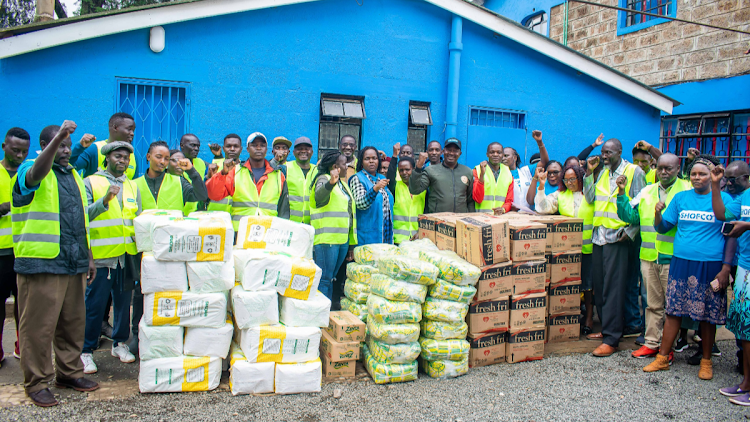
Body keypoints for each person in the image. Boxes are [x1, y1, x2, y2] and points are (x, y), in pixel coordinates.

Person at [13, 121, 99, 406]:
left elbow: (80, 220)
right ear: (45, 146)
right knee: (38, 328)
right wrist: (57, 138)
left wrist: (88, 257)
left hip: (73, 262)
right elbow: (36, 175)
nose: (65, 150)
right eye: (60, 144)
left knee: (72, 324)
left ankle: (69, 372)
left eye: (66, 145)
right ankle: (37, 382)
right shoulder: (30, 169)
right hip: (41, 263)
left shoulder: (73, 174)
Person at [643, 155, 733, 381]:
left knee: (706, 315)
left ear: (713, 175)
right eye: (694, 174)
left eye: (703, 174)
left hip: (710, 264)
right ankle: (663, 358)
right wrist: (657, 213)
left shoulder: (724, 199)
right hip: (681, 262)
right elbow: (663, 228)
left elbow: (731, 231)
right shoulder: (681, 198)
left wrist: (726, 268)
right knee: (674, 310)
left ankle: (706, 361)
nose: (697, 178)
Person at [615, 154, 691, 360]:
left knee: (672, 306)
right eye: (661, 168)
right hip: (648, 257)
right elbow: (630, 217)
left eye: (669, 168)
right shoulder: (647, 190)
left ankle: (669, 347)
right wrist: (621, 194)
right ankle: (651, 343)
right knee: (652, 304)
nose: (664, 172)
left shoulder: (687, 190)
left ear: (678, 169)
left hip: (675, 258)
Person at [80, 141, 141, 375]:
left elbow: (136, 218)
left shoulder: (132, 186)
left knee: (124, 304)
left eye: (126, 157)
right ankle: (86, 351)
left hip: (126, 256)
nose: (122, 161)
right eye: (118, 156)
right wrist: (104, 200)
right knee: (94, 306)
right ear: (107, 158)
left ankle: (119, 344)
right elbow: (84, 216)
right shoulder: (91, 182)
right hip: (102, 258)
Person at [583, 138, 646, 357]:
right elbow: (590, 198)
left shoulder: (634, 172)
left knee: (613, 288)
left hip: (618, 238)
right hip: (599, 236)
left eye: (609, 152)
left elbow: (641, 205)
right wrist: (589, 173)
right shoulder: (601, 172)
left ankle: (612, 339)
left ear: (619, 151)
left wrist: (629, 233)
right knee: (599, 287)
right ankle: (608, 329)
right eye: (603, 152)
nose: (605, 155)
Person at [535, 163, 595, 333]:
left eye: (573, 179)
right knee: (569, 285)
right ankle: (571, 317)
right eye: (566, 180)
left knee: (588, 285)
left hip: (589, 248)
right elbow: (543, 208)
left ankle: (589, 318)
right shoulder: (561, 194)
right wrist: (541, 185)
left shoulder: (589, 195)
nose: (569, 183)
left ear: (580, 177)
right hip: (568, 250)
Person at [713, 164, 750, 404]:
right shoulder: (743, 197)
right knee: (744, 330)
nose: (730, 184)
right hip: (745, 268)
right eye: (727, 179)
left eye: (733, 179)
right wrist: (715, 185)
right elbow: (722, 215)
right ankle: (746, 382)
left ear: (746, 177)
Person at [206, 132, 290, 231]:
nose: (258, 148)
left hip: (268, 235)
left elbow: (283, 210)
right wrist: (223, 174)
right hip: (240, 233)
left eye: (262, 145)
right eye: (254, 145)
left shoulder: (277, 175)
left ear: (266, 150)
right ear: (247, 149)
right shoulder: (235, 172)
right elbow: (214, 194)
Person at [0, 128, 30, 363]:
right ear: (4, 147)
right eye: (15, 150)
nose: (20, 155)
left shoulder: (29, 175)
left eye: (24, 151)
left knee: (25, 306)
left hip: (23, 251)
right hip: (1, 253)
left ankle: (22, 348)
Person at [309, 151, 356, 300]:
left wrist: (351, 244)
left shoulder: (342, 184)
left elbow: (348, 212)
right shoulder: (324, 179)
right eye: (344, 164)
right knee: (324, 278)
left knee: (330, 278)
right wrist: (330, 184)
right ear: (335, 166)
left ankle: (327, 316)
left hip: (341, 239)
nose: (347, 166)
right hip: (327, 240)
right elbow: (319, 196)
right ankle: (320, 315)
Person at [134, 141, 208, 212]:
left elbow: (201, 196)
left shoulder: (179, 182)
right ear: (148, 157)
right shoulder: (134, 184)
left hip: (173, 225)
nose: (162, 161)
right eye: (158, 157)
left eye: (166, 159)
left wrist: (191, 171)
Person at [410, 138, 474, 214]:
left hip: (460, 220)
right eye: (449, 150)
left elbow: (470, 200)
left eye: (455, 151)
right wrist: (418, 168)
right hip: (438, 220)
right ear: (443, 151)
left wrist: (471, 218)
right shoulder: (431, 170)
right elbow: (415, 190)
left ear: (460, 153)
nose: (451, 153)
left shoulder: (467, 171)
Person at [70, 112, 137, 179]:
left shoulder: (133, 156)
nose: (132, 134)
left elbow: (134, 185)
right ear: (115, 128)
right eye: (129, 129)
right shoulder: (94, 150)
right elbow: (69, 168)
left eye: (133, 130)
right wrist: (79, 147)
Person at [349, 146, 393, 245]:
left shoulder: (381, 177)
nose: (371, 161)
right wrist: (375, 189)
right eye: (367, 159)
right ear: (361, 162)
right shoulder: (357, 178)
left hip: (385, 236)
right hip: (367, 237)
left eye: (374, 158)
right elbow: (360, 203)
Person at [386, 144, 425, 243]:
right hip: (399, 239)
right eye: (401, 170)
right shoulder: (395, 187)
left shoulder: (422, 188)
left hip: (419, 237)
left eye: (407, 170)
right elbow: (390, 174)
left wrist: (422, 231)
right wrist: (394, 156)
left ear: (413, 169)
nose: (404, 173)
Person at [502, 130, 549, 212]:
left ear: (515, 158)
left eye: (506, 156)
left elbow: (544, 162)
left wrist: (539, 142)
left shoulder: (526, 171)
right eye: (501, 156)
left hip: (528, 215)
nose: (503, 158)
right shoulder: (499, 175)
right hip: (509, 215)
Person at [473, 142, 513, 214]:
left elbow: (509, 200)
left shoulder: (508, 172)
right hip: (481, 218)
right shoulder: (477, 170)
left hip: (499, 218)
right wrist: (482, 175)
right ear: (487, 154)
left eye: (499, 152)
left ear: (503, 155)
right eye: (492, 152)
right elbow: (477, 199)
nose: (495, 155)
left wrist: (503, 209)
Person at [206, 134, 243, 212]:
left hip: (237, 218)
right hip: (215, 216)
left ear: (241, 149)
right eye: (228, 146)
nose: (232, 149)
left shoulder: (246, 169)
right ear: (223, 148)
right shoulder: (214, 167)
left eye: (236, 146)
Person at [284, 137, 317, 224]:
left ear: (312, 152)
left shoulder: (318, 170)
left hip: (312, 224)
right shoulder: (285, 168)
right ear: (294, 153)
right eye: (299, 149)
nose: (303, 151)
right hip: (290, 223)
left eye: (307, 149)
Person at [180, 134, 208, 214]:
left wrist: (218, 156)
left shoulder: (201, 163)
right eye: (193, 145)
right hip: (179, 214)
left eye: (198, 146)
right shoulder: (174, 164)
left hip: (196, 212)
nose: (196, 149)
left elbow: (218, 169)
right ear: (182, 145)